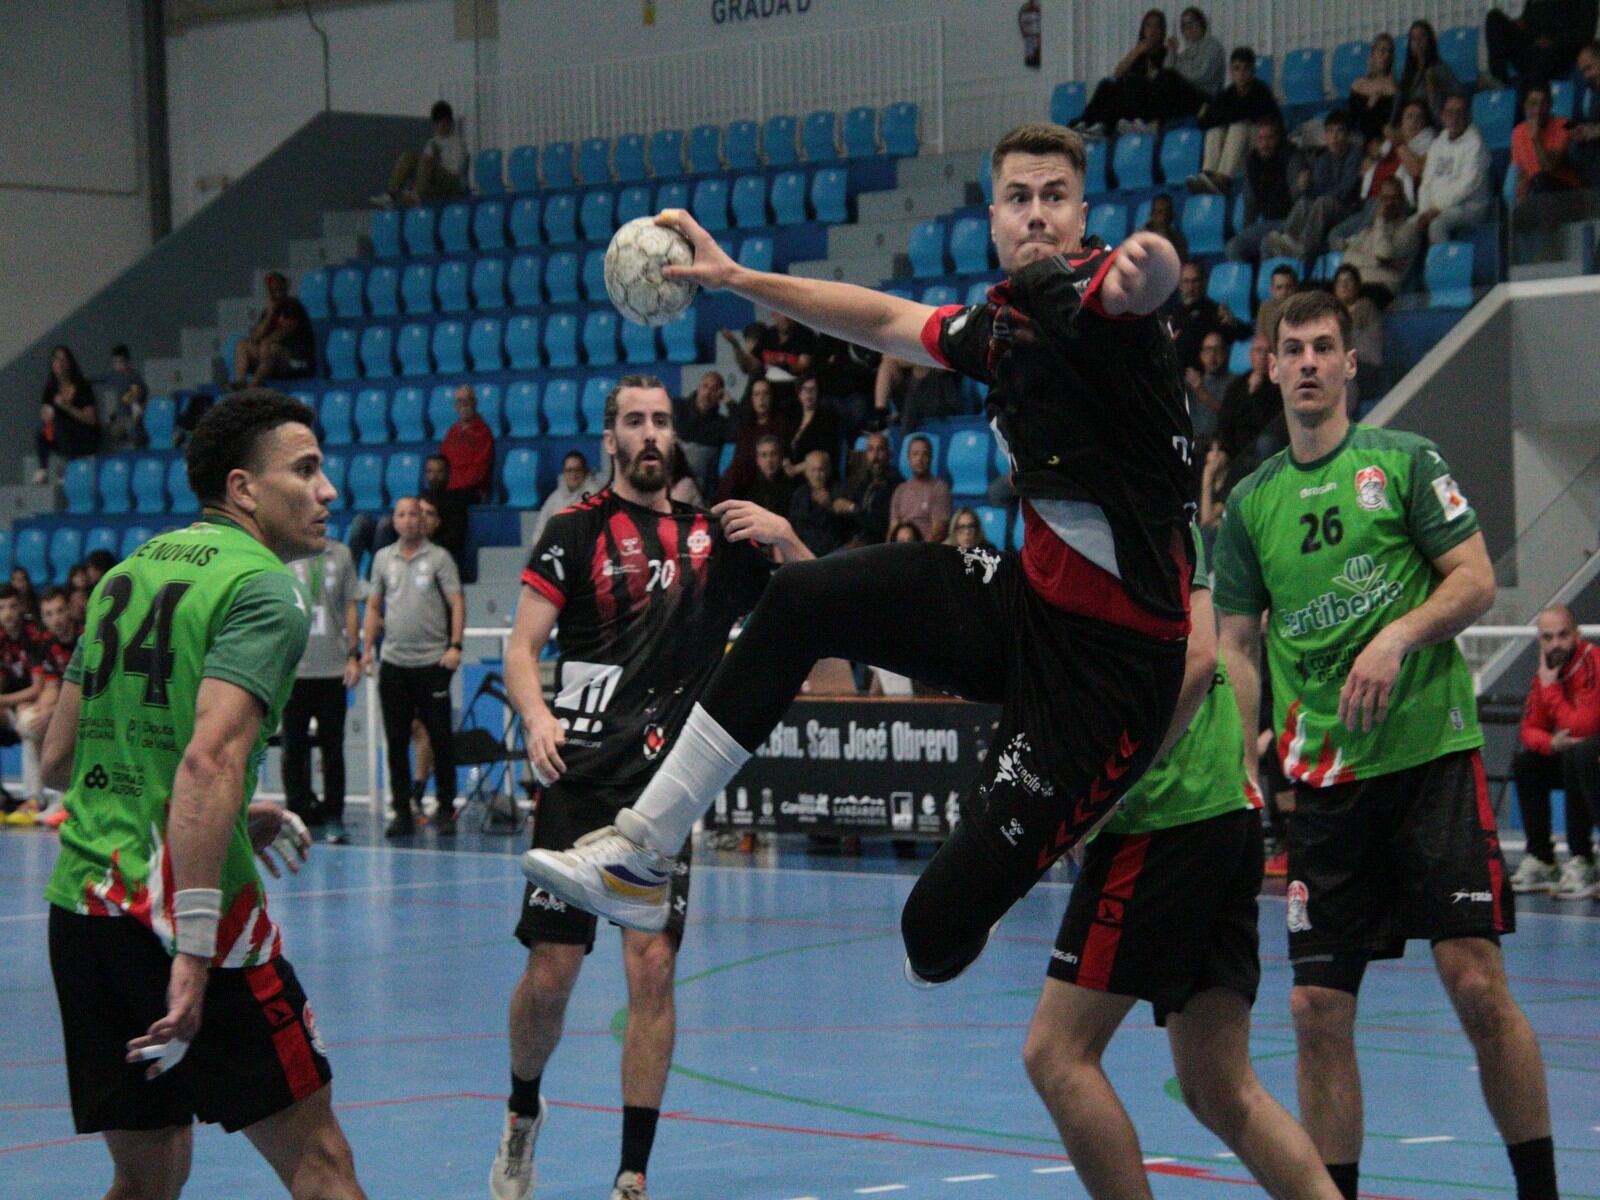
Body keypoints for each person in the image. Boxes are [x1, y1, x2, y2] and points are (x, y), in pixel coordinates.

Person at [521, 121, 1196, 1014]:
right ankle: (645, 849)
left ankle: (990, 876)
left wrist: (1152, 267)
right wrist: (737, 280)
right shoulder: (999, 327)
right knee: (801, 595)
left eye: (1056, 198)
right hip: (1028, 607)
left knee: (931, 941)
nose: (1038, 215)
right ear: (992, 216)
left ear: (1082, 213)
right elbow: (880, 317)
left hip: (1110, 681)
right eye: (1020, 199)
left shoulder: (1092, 305)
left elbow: (1132, 290)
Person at [1213, 289, 1559, 1200]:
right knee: (1316, 1008)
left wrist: (1396, 635)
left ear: (1350, 362)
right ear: (1273, 365)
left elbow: (1477, 580)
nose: (1312, 363)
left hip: (1431, 766)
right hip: (1326, 787)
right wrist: (1239, 761)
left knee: (1476, 984)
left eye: (1327, 346)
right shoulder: (1249, 507)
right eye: (1295, 349)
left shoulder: (1405, 464)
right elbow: (1239, 647)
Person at [39, 389, 365, 1199]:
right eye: (306, 469)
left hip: (84, 909)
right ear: (243, 489)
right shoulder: (264, 589)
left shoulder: (127, 571)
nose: (328, 491)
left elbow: (57, 757)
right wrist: (189, 950)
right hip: (189, 923)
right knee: (321, 1164)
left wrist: (223, 813)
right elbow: (207, 764)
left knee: (148, 1177)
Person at [491, 375, 809, 1200]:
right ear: (610, 441)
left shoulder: (721, 539)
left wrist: (785, 535)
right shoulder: (574, 530)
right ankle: (524, 1109)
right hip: (576, 774)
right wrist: (534, 718)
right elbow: (522, 649)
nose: (650, 434)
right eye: (634, 421)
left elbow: (820, 605)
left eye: (662, 421)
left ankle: (633, 1171)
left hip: (664, 787)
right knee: (553, 977)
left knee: (654, 970)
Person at [1028, 528, 1343, 1200]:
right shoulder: (1158, 515)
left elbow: (1201, 662)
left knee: (1058, 1054)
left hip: (1164, 814)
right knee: (1218, 1087)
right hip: (1219, 807)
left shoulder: (1117, 515)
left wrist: (1099, 793)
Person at [360, 495, 465, 837]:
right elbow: (374, 608)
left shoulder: (439, 558)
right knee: (395, 739)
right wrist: (366, 650)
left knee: (440, 738)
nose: (408, 520)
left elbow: (457, 601)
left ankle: (446, 808)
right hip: (394, 663)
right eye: (402, 514)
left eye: (414, 514)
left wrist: (455, 645)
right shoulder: (382, 559)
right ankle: (401, 810)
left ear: (423, 520)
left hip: (432, 662)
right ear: (394, 520)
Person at [1510, 604, 1600, 898]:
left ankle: (1584, 858)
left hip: (1592, 757)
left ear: (1577, 635)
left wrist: (1550, 689)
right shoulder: (1547, 672)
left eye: (1563, 635)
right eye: (1547, 637)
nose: (1556, 644)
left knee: (1580, 754)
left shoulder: (1591, 663)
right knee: (1527, 764)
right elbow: (1529, 728)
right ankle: (1542, 859)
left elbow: (1584, 726)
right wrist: (1550, 744)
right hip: (1579, 757)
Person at [282, 540, 362, 845]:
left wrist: (353, 654)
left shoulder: (341, 553)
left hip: (332, 669)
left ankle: (334, 817)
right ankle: (295, 815)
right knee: (294, 748)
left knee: (333, 748)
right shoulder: (286, 551)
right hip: (295, 669)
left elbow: (351, 604)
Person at [1259, 111, 1365, 261]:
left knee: (1323, 201)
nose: (1334, 137)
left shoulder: (1355, 155)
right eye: (1330, 132)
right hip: (1327, 204)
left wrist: (1319, 193)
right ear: (1325, 136)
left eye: (1339, 131)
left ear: (1347, 135)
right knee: (1304, 202)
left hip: (1348, 208)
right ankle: (1288, 238)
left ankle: (1304, 248)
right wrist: (1306, 186)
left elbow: (1345, 190)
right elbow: (1315, 190)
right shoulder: (1323, 158)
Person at [1187, 48, 1281, 195]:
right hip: (1235, 151)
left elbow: (1265, 119)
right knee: (1215, 130)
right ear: (1231, 72)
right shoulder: (1228, 94)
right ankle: (1208, 174)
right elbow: (1205, 122)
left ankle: (1223, 178)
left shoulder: (1261, 92)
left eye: (1246, 69)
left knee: (1239, 127)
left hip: (1258, 148)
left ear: (1253, 71)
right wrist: (1229, 116)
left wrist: (1228, 116)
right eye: (1237, 69)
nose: (1241, 74)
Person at [0, 583, 53, 824]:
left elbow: (38, 687)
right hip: (11, 705)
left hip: (37, 703)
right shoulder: (1, 637)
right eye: (2, 608)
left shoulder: (34, 635)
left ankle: (34, 798)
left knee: (29, 724)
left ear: (21, 607)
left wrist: (5, 701)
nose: (8, 613)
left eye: (12, 606)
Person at [1414, 93, 1492, 245]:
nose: (1454, 117)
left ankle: (1443, 268)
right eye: (1450, 112)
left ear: (1468, 115)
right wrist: (1424, 211)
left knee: (1437, 225)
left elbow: (1467, 186)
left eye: (1460, 112)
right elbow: (1426, 181)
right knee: (1410, 227)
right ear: (1442, 115)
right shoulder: (1438, 142)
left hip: (1470, 206)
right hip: (1435, 207)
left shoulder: (1476, 143)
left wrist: (1437, 209)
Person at [1336, 176, 1419, 306]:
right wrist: (1378, 262)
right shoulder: (1369, 230)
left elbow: (1383, 253)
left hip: (1383, 288)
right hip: (1358, 285)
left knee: (1356, 300)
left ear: (1402, 200)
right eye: (1385, 198)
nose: (1389, 203)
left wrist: (1380, 219)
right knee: (1317, 294)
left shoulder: (1409, 230)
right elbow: (1347, 258)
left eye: (1394, 198)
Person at [1224, 117, 1295, 262]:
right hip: (1268, 222)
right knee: (1233, 247)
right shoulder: (1253, 162)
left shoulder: (1291, 158)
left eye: (1270, 138)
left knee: (1267, 244)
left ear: (1278, 138)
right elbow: (1250, 202)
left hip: (1291, 221)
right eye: (1261, 139)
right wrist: (1246, 232)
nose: (1265, 144)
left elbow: (1299, 200)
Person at [1487, 0, 1600, 89]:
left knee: (1543, 56)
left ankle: (1529, 94)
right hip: (1532, 45)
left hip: (1559, 51)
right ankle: (1500, 79)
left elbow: (1585, 34)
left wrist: (1553, 42)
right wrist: (1518, 25)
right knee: (1494, 17)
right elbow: (1527, 20)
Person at [231, 272, 315, 391]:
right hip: (272, 362)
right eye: (273, 290)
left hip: (296, 362)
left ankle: (252, 388)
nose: (276, 293)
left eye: (279, 289)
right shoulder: (269, 311)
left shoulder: (294, 307)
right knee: (242, 345)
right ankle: (240, 384)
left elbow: (287, 330)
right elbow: (255, 337)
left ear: (284, 288)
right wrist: (270, 314)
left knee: (271, 348)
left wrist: (266, 343)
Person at [715, 378, 793, 501]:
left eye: (765, 393)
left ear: (771, 397)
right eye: (757, 394)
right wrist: (728, 401)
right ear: (751, 399)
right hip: (741, 476)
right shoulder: (747, 424)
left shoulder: (781, 423)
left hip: (765, 476)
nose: (761, 398)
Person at [377, 100, 466, 207]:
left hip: (450, 184)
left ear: (450, 123)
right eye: (438, 123)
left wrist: (436, 161)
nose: (441, 126)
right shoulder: (431, 142)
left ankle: (416, 195)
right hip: (431, 183)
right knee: (408, 156)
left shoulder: (457, 143)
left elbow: (455, 171)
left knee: (426, 160)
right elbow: (423, 169)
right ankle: (391, 194)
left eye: (444, 123)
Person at [1167, 259, 1248, 371]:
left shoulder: (1214, 311)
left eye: (1195, 281)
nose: (1191, 287)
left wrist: (1233, 323)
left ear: (1204, 282)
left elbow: (1244, 334)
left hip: (1206, 376)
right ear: (1179, 285)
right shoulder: (1173, 313)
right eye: (1186, 281)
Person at [35, 345, 100, 484]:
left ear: (69, 364)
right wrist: (47, 414)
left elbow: (90, 420)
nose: (59, 363)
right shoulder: (50, 388)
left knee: (58, 423)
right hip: (62, 439)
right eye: (56, 359)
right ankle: (43, 469)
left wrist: (67, 406)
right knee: (42, 428)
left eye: (63, 360)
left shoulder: (82, 386)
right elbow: (44, 414)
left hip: (83, 438)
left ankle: (69, 468)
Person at [833, 429, 902, 547]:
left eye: (880, 449)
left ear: (889, 454)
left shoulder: (896, 484)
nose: (875, 455)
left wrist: (852, 508)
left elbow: (880, 524)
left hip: (875, 547)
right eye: (870, 450)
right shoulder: (864, 480)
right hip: (851, 542)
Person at [1331, 265, 1384, 413]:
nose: (1344, 286)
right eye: (1340, 282)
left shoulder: (1366, 308)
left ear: (1357, 285)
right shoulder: (1329, 313)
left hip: (1365, 367)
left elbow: (1370, 347)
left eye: (1349, 281)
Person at [673, 371, 731, 496]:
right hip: (668, 480)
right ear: (698, 388)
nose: (707, 393)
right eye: (705, 386)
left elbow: (739, 432)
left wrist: (730, 403)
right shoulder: (677, 407)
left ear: (720, 395)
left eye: (714, 389)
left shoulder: (721, 424)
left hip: (696, 489)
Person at [886, 434, 952, 543]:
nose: (920, 459)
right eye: (915, 454)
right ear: (909, 458)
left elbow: (939, 530)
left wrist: (918, 552)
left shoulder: (940, 488)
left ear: (931, 458)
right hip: (901, 550)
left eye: (925, 454)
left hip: (926, 551)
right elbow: (893, 529)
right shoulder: (900, 490)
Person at [533, 451, 606, 543]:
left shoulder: (594, 493)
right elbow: (540, 528)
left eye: (577, 470)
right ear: (564, 472)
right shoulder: (555, 497)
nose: (573, 474)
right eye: (569, 470)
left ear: (585, 471)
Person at [439, 384, 495, 502]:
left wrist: (455, 485)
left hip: (472, 490)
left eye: (467, 400)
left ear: (475, 403)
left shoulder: (483, 432)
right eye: (459, 401)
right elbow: (442, 461)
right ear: (455, 406)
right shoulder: (452, 432)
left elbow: (479, 470)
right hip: (451, 489)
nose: (463, 404)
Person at [789, 449, 844, 556]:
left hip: (831, 552)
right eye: (813, 470)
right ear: (806, 473)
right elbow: (793, 524)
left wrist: (830, 507)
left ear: (828, 471)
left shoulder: (838, 491)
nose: (817, 475)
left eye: (821, 470)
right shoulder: (799, 494)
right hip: (803, 551)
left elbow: (845, 527)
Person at [1398, 21, 1460, 116]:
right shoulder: (1408, 73)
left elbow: (1454, 100)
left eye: (1422, 36)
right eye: (1413, 38)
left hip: (1431, 122)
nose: (1417, 41)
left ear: (1430, 40)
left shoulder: (1441, 69)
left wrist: (1431, 86)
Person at [1346, 33, 1399, 144]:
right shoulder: (1358, 84)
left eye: (1390, 52)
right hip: (1361, 136)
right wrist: (1370, 105)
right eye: (1382, 51)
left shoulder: (1394, 87)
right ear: (1373, 54)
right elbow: (1352, 120)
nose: (1386, 56)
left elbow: (1392, 120)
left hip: (1383, 139)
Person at [785, 376, 841, 480]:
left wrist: (797, 469)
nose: (808, 393)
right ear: (799, 393)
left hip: (815, 476)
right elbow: (785, 446)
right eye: (805, 389)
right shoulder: (793, 417)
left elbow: (826, 454)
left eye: (812, 389)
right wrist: (785, 464)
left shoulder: (826, 419)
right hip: (790, 475)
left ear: (818, 392)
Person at [1185, 330, 1234, 444]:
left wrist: (1200, 391)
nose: (1212, 355)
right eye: (1208, 350)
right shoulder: (1191, 382)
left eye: (1217, 349)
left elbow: (1228, 413)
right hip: (1193, 443)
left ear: (1225, 353)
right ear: (1201, 355)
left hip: (1217, 443)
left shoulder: (1234, 382)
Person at [104, 343, 149, 452]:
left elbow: (141, 395)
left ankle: (136, 446)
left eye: (121, 362)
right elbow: (101, 378)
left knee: (134, 429)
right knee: (106, 434)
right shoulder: (114, 375)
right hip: (120, 417)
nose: (118, 366)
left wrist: (133, 398)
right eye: (115, 362)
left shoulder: (134, 377)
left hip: (133, 417)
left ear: (127, 362)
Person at [738, 434, 796, 515]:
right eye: (764, 455)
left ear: (780, 457)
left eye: (773, 454)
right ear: (758, 460)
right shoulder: (750, 487)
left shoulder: (792, 487)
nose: (769, 460)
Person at [1570, 41, 1600, 188]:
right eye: (1583, 72)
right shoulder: (1593, 92)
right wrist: (1580, 129)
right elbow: (1582, 122)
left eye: (1590, 68)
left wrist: (1595, 131)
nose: (1587, 76)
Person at [1254, 264, 1300, 344]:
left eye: (1289, 287)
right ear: (1272, 289)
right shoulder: (1265, 308)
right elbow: (1261, 339)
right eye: (1279, 287)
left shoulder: (1304, 307)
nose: (1284, 292)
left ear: (1296, 287)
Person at [1141, 191, 1190, 261]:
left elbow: (1182, 264)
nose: (1163, 217)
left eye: (1167, 212)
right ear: (1151, 214)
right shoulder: (1140, 238)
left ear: (1172, 216)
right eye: (1159, 212)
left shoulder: (1179, 241)